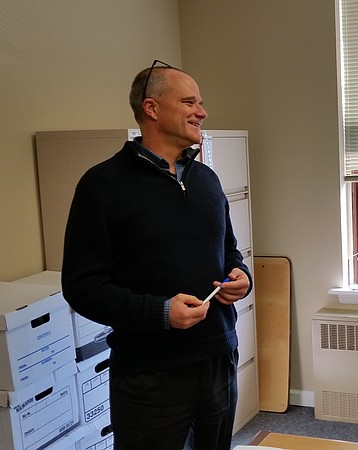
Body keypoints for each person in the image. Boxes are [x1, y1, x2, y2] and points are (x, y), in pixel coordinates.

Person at [61, 61, 252, 450]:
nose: (202, 112)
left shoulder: (206, 179)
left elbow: (228, 248)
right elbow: (82, 287)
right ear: (151, 108)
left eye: (200, 103)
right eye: (189, 102)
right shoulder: (102, 185)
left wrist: (240, 274)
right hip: (150, 373)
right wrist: (160, 313)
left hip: (217, 357)